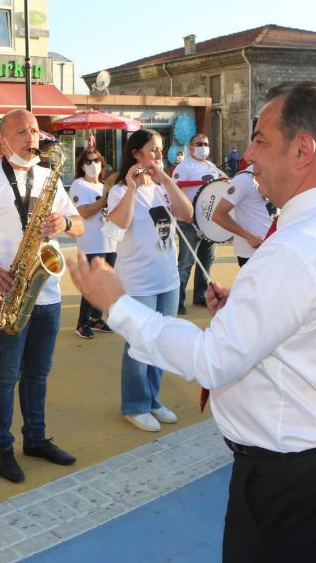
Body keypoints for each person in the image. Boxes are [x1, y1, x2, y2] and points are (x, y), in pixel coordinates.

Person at [70, 82, 316, 562]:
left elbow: (212, 361)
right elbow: (310, 325)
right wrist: (244, 307)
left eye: (261, 140)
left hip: (292, 475)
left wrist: (117, 305)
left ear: (302, 149)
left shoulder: (299, 245)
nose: (249, 157)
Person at [0, 108, 83, 484]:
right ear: (2, 138)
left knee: (38, 374)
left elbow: (80, 224)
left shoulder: (49, 177)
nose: (31, 137)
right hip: (5, 291)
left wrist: (66, 223)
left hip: (47, 291)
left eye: (35, 130)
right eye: (22, 131)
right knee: (6, 376)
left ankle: (36, 439)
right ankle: (3, 448)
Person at [106, 129, 194, 432]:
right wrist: (132, 187)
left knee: (161, 343)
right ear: (136, 154)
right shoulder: (119, 190)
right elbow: (120, 223)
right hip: (138, 281)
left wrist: (166, 179)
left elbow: (187, 213)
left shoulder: (161, 188)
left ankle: (152, 399)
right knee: (139, 343)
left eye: (161, 150)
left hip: (167, 279)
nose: (159, 155)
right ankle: (134, 404)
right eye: (153, 150)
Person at [171, 132, 226, 313]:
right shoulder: (185, 167)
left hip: (209, 222)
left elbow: (223, 182)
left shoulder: (210, 166)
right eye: (199, 143)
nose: (203, 147)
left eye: (206, 143)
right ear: (191, 147)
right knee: (186, 263)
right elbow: (174, 188)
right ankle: (177, 301)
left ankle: (200, 295)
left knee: (206, 260)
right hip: (189, 221)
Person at [69, 147, 116, 339]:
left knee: (105, 283)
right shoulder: (78, 185)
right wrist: (105, 200)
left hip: (110, 241)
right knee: (92, 283)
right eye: (88, 162)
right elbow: (84, 211)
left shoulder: (105, 185)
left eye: (96, 161)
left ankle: (96, 318)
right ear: (81, 166)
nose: (92, 165)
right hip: (91, 242)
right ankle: (82, 322)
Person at [210, 164, 274, 267]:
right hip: (253, 253)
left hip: (274, 248)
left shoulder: (273, 174)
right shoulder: (244, 179)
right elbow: (219, 216)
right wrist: (249, 237)